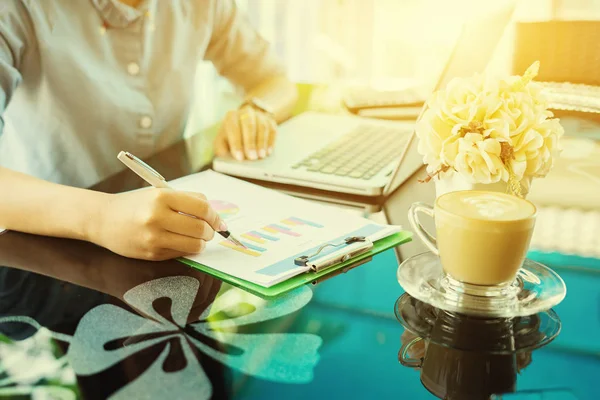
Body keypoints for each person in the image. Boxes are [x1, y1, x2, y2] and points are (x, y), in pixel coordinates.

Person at [0, 0, 297, 260]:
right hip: (46, 249)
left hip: (169, 232)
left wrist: (258, 110)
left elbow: (275, 81)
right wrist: (102, 216)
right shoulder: (18, 7)